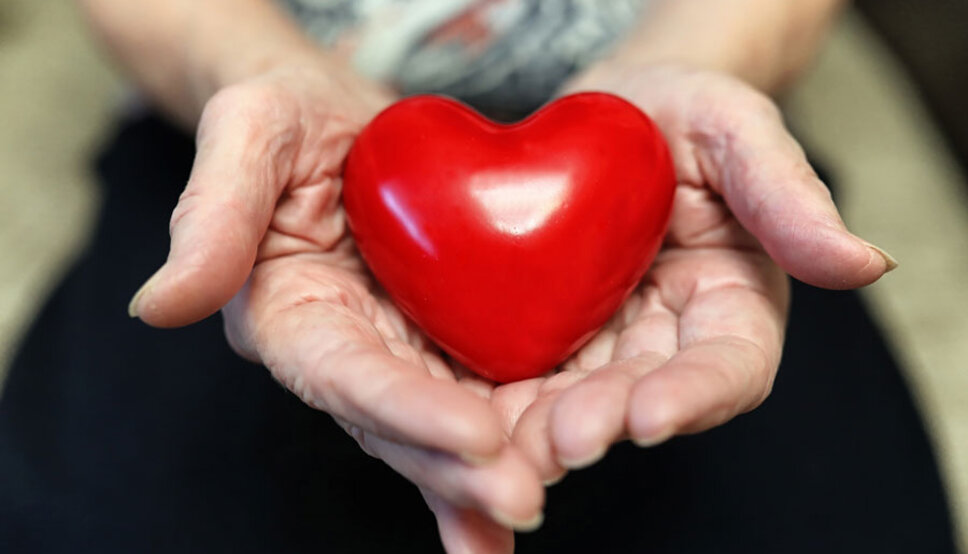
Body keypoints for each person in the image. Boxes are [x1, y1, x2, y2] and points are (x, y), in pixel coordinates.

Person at [0, 1, 956, 552]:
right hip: (248, 137)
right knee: (83, 522)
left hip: (664, 180)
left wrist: (702, 56)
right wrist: (245, 67)